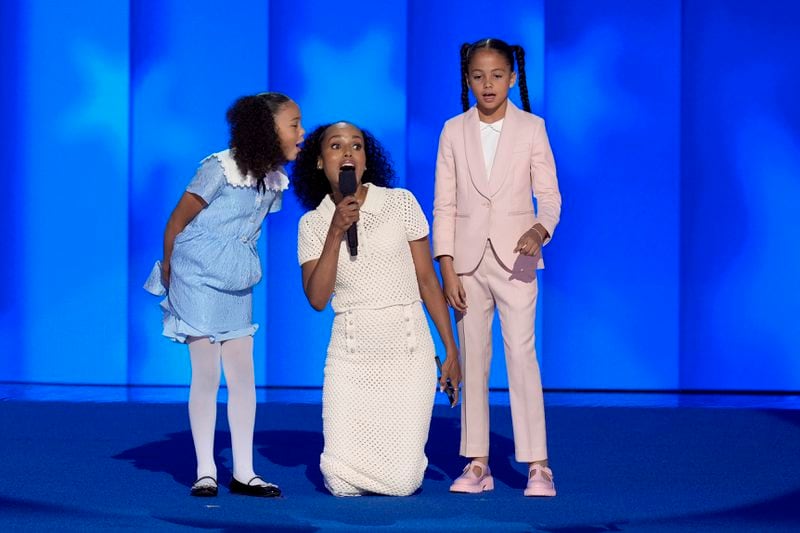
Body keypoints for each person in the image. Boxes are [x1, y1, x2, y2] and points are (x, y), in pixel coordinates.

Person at [144, 92, 304, 498]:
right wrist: (170, 272)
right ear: (268, 131)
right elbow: (177, 221)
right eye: (294, 124)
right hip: (196, 273)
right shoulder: (219, 167)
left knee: (242, 375)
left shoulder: (274, 179)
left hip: (236, 278)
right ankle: (205, 470)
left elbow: (246, 232)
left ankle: (245, 471)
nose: (301, 133)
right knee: (207, 373)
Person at [293, 121, 461, 497]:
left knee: (402, 484)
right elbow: (318, 299)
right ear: (320, 162)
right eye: (336, 146)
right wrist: (335, 231)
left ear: (367, 161)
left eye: (356, 145)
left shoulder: (400, 203)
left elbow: (427, 280)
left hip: (407, 352)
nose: (348, 153)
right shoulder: (312, 224)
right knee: (339, 483)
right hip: (351, 358)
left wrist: (450, 348)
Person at [432, 38, 562, 497]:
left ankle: (538, 466)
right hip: (467, 264)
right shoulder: (452, 130)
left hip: (517, 261)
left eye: (497, 75)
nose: (488, 84)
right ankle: (477, 462)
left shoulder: (532, 128)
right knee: (474, 360)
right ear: (467, 79)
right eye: (478, 76)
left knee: (522, 356)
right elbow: (443, 203)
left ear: (512, 77)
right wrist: (446, 268)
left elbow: (549, 196)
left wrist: (540, 230)